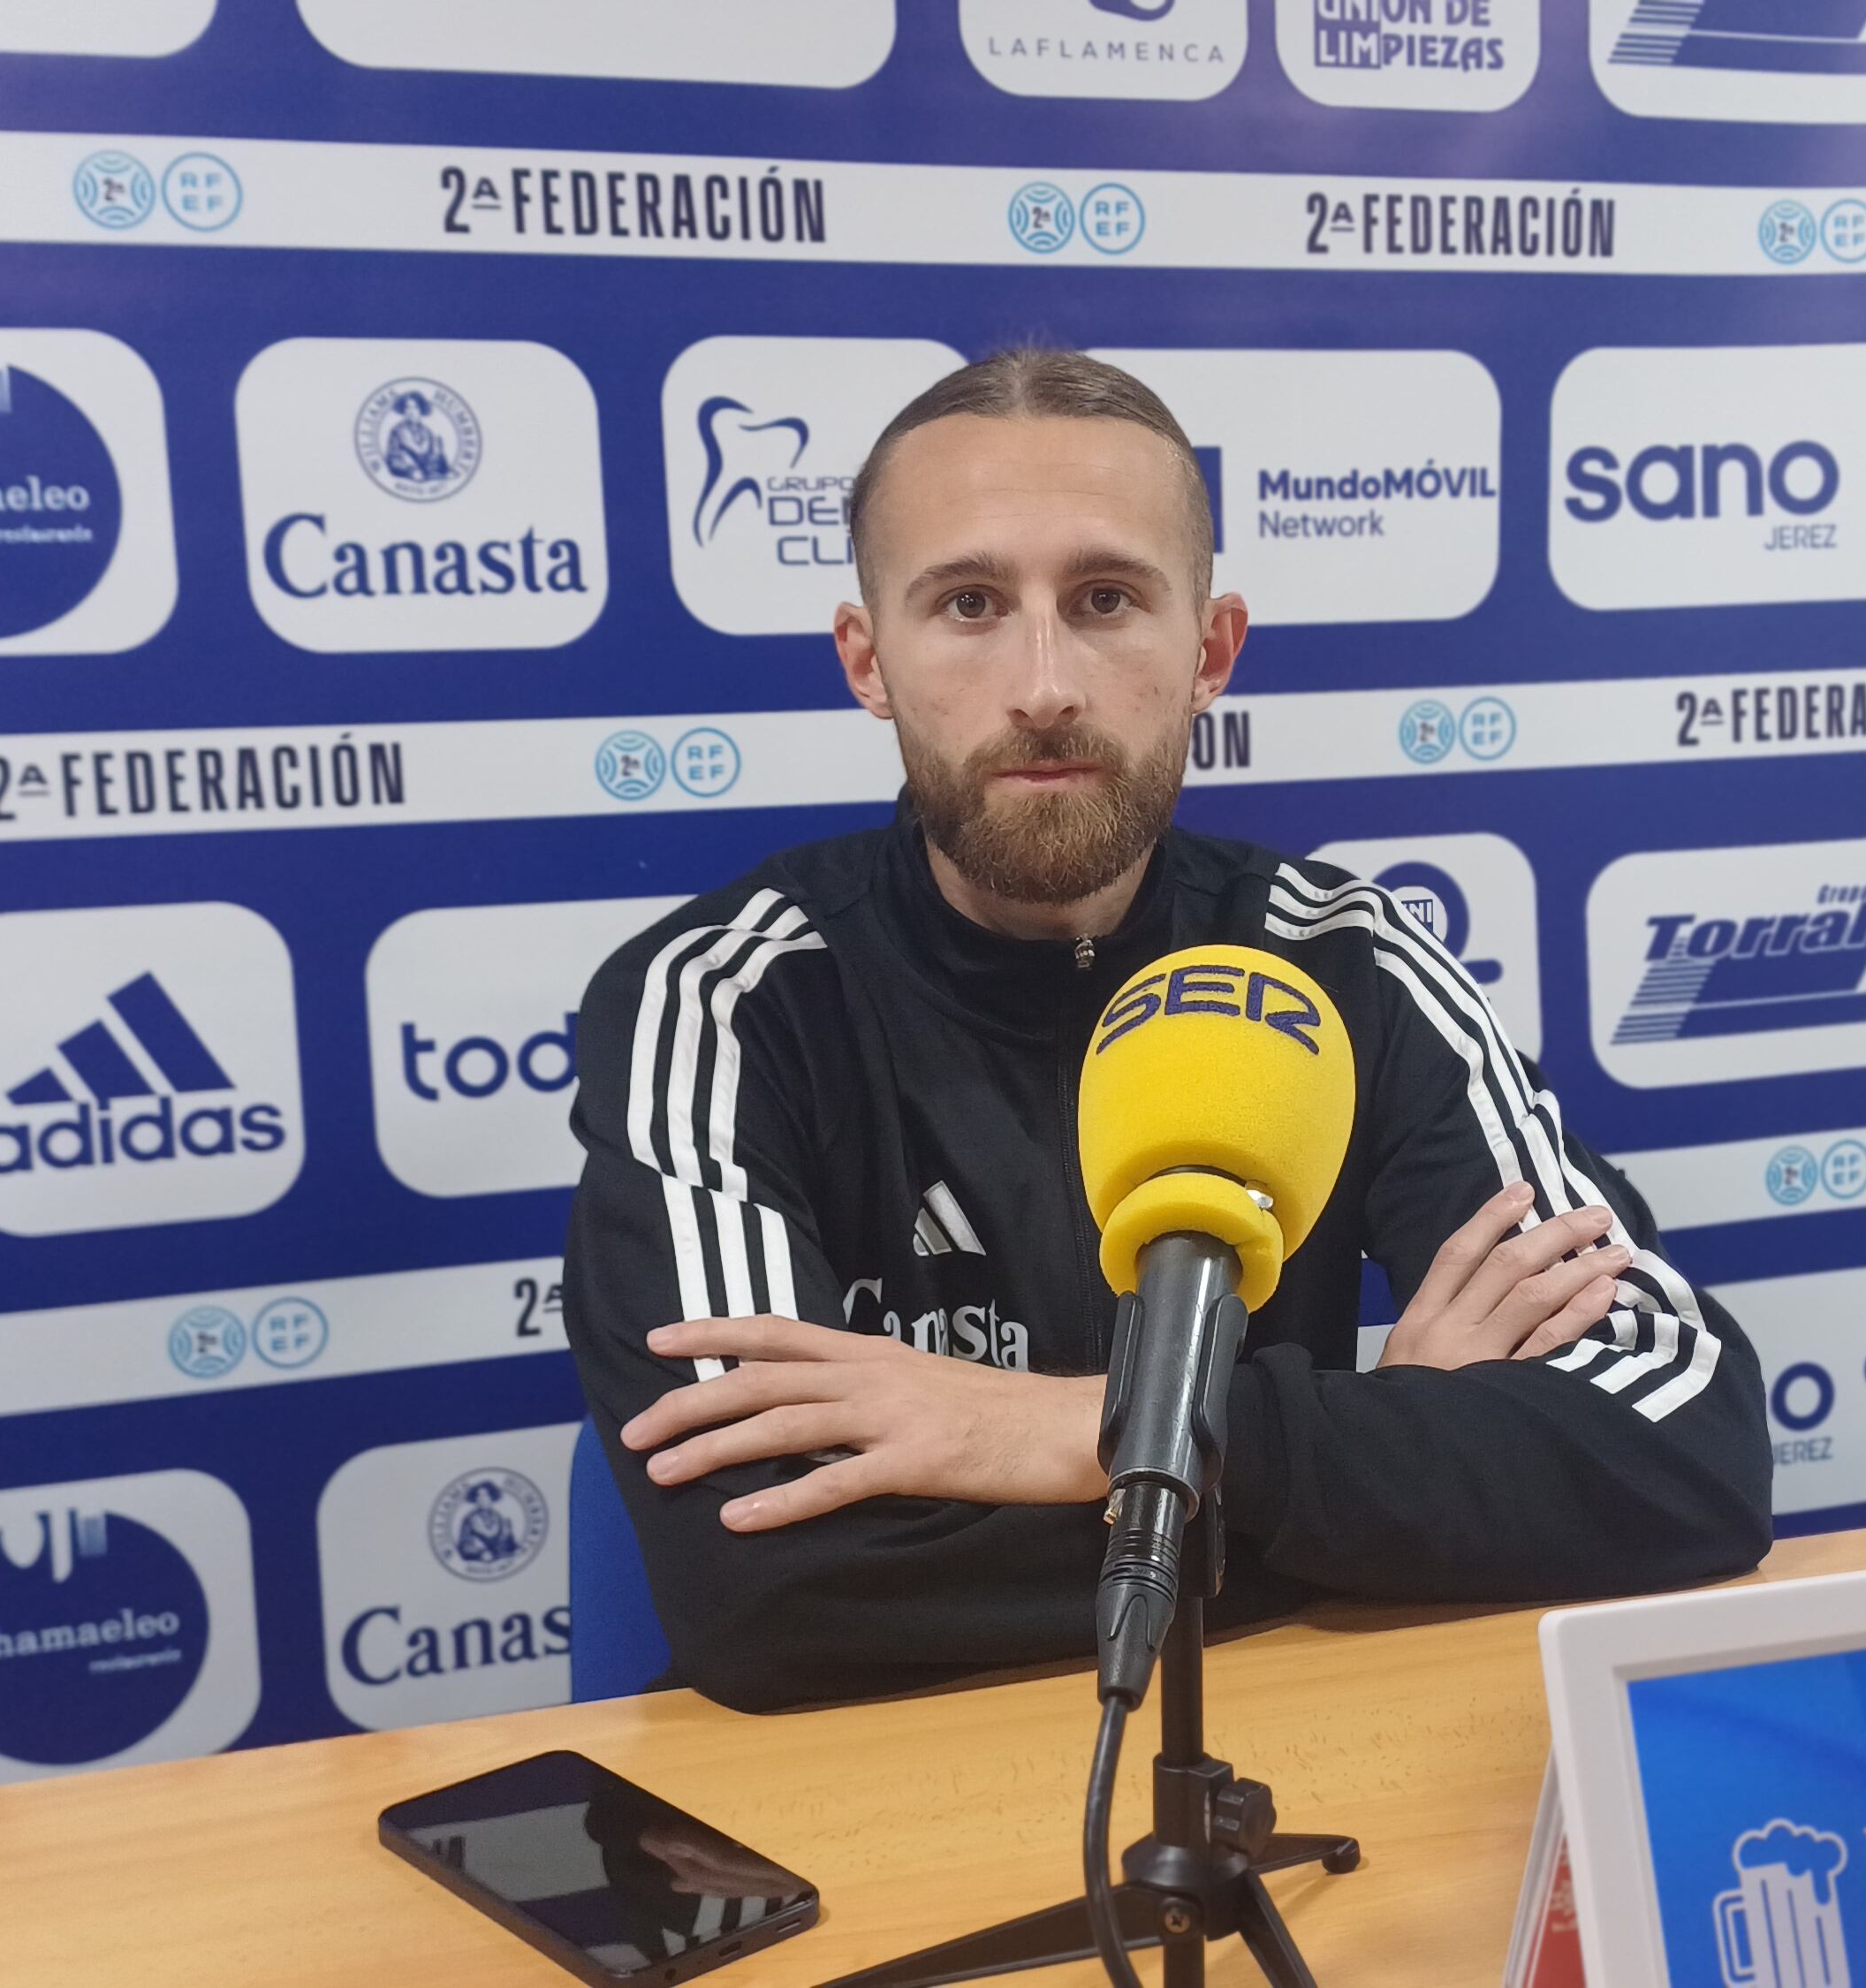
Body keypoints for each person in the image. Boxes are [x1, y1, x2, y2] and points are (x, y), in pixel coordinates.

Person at [564, 349, 1772, 1711]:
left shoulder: (1346, 960)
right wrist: (1380, 1451)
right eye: (969, 603)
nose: (1044, 685)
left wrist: (1066, 1431)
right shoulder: (724, 1000)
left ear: (1210, 652)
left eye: (1106, 600)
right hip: (877, 1790)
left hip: (1279, 1759)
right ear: (869, 660)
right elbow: (767, 1587)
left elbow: (1691, 1450)